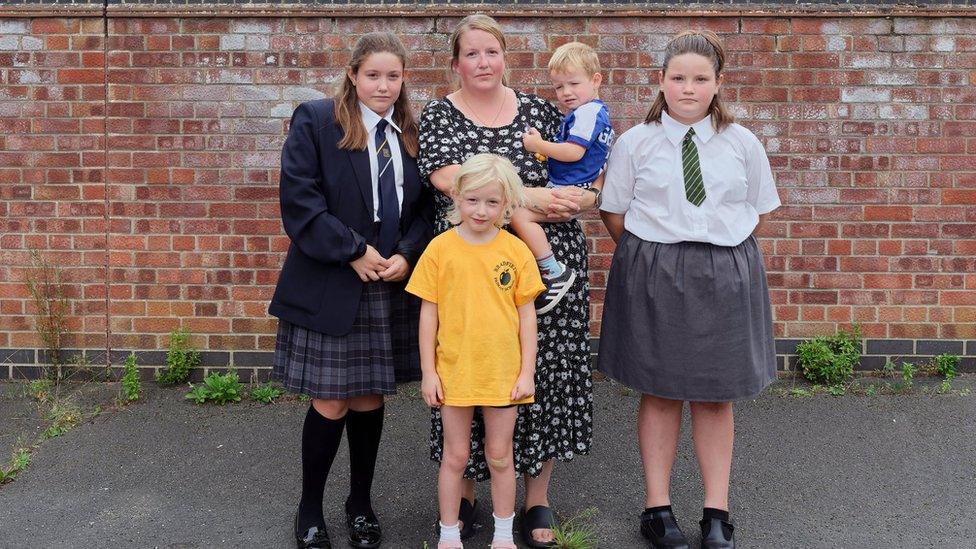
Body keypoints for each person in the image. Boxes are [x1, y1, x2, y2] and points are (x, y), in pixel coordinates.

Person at [416, 13, 596, 548]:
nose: (482, 62)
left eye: (491, 52)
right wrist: (527, 197)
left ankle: (536, 499)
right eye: (471, 54)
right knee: (467, 370)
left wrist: (580, 196)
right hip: (472, 269)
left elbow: (584, 170)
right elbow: (448, 179)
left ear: (504, 57)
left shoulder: (540, 111)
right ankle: (467, 496)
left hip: (548, 267)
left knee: (538, 372)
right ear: (456, 63)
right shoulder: (440, 116)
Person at [598, 30, 780, 549]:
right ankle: (657, 509)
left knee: (716, 397)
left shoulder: (742, 143)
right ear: (661, 80)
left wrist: (715, 251)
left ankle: (716, 512)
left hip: (724, 273)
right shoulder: (635, 142)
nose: (688, 88)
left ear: (718, 84)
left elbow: (757, 212)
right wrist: (658, 254)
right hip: (655, 269)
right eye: (677, 78)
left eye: (700, 79)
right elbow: (615, 212)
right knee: (659, 392)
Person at [269, 32, 431, 549]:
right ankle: (309, 507)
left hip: (390, 284)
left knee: (367, 400)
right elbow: (300, 201)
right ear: (353, 75)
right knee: (332, 401)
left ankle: (360, 503)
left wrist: (407, 252)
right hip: (333, 281)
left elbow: (425, 206)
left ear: (403, 80)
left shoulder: (411, 131)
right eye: (373, 75)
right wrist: (354, 250)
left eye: (393, 76)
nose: (383, 86)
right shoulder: (317, 121)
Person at [406, 154, 546, 549]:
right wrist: (429, 372)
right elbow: (428, 315)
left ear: (506, 204)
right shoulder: (439, 249)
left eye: (492, 202)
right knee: (455, 456)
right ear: (457, 197)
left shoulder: (516, 251)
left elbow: (527, 317)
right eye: (472, 200)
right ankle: (449, 534)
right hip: (454, 372)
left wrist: (526, 372)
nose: (481, 210)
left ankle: (503, 534)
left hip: (503, 372)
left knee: (500, 456)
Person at [516, 41, 614, 314]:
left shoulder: (587, 113)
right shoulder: (596, 113)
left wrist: (539, 146)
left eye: (573, 84)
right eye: (559, 87)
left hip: (567, 189)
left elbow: (573, 152)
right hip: (575, 186)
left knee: (518, 214)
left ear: (596, 80)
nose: (566, 92)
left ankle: (552, 270)